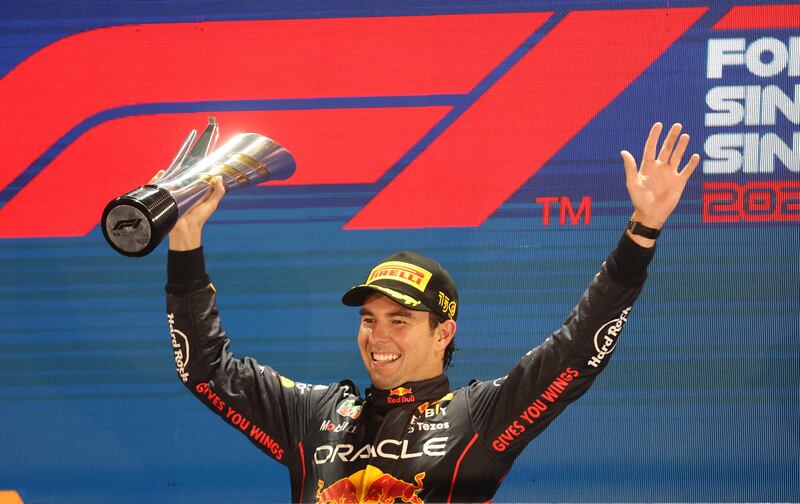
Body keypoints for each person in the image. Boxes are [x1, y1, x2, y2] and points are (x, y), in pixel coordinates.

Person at [164, 123, 699, 502]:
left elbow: (576, 353)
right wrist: (186, 242)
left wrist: (642, 232)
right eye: (369, 318)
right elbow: (206, 371)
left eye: (400, 320)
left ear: (444, 332)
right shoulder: (315, 416)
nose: (378, 336)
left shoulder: (481, 417)